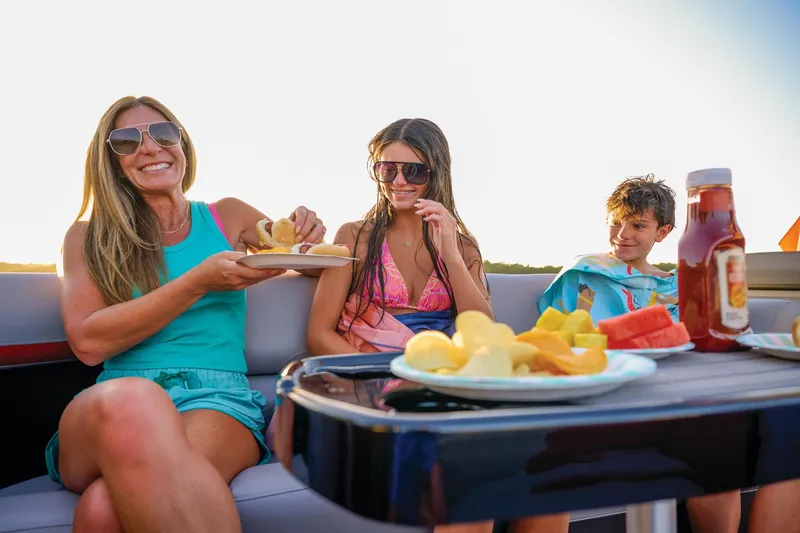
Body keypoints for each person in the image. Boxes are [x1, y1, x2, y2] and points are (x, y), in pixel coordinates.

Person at [47, 95, 326, 533]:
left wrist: (308, 235)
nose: (150, 147)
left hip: (216, 399)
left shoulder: (228, 216)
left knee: (102, 509)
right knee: (134, 400)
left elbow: (300, 258)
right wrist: (197, 281)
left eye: (163, 133)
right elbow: (87, 342)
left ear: (182, 143)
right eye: (127, 141)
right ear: (110, 160)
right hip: (116, 402)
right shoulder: (86, 237)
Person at [305, 118, 569, 533]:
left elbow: (481, 329)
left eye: (414, 171)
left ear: (437, 173)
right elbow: (319, 333)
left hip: (447, 381)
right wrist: (394, 376)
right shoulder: (354, 236)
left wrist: (450, 252)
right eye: (387, 169)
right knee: (469, 490)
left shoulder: (463, 245)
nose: (399, 181)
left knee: (549, 487)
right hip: (371, 382)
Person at [539, 174, 745, 533]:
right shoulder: (581, 274)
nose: (623, 234)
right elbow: (553, 341)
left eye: (638, 225)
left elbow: (695, 343)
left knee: (720, 467)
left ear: (662, 232)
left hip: (671, 400)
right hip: (597, 398)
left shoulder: (678, 285)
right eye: (616, 222)